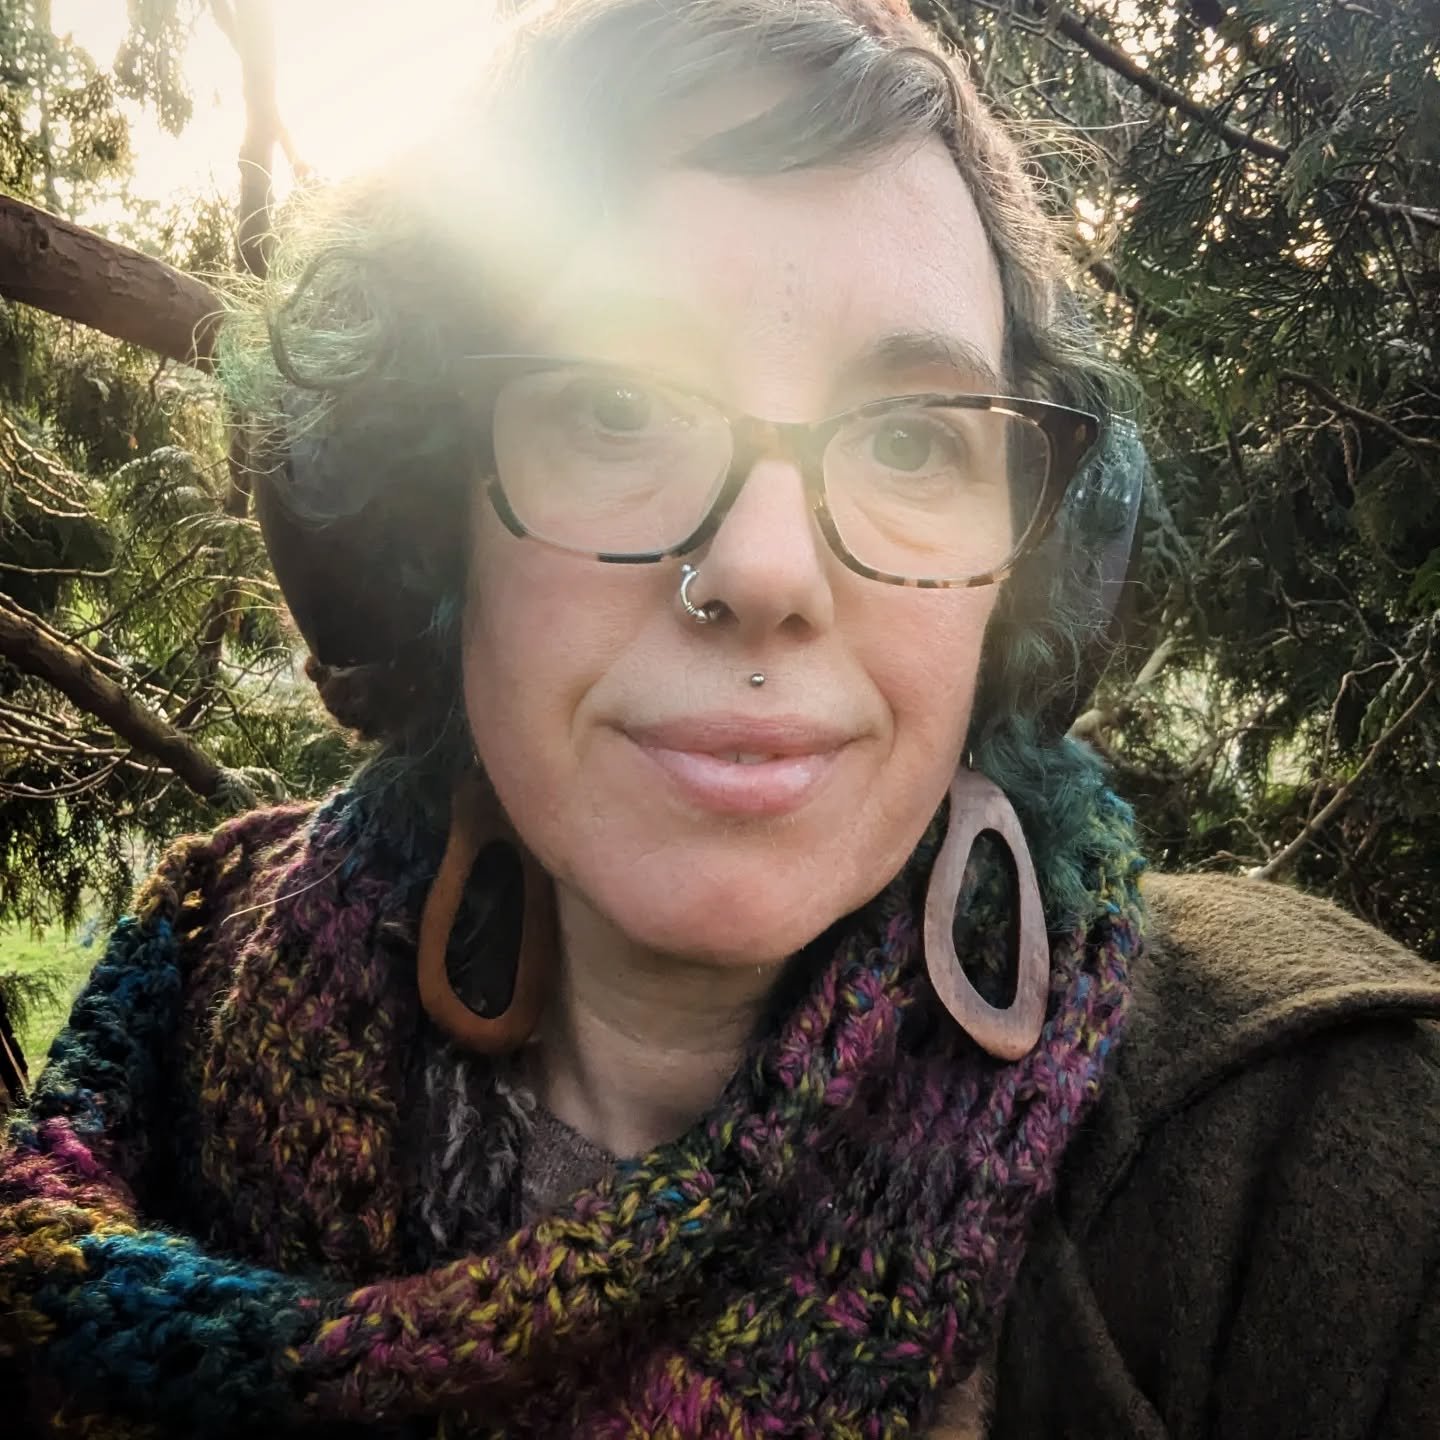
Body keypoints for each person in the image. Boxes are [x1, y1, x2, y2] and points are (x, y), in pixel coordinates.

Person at [2, 1, 1437, 1435]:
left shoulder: (1304, 1141)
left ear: (1025, 567)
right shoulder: (182, 1047)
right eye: (618, 409)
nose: (764, 570)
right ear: (433, 523)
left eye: (911, 437)